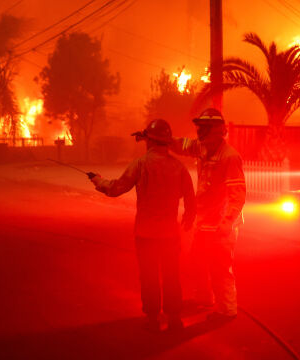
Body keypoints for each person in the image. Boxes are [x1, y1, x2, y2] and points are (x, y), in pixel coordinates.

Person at [90, 119, 196, 332]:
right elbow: (190, 198)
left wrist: (98, 180)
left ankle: (152, 318)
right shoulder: (178, 167)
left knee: (149, 276)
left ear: (149, 141)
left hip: (146, 234)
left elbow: (116, 188)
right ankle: (174, 318)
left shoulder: (141, 164)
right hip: (170, 234)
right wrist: (189, 216)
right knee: (171, 276)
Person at [170, 108, 246, 322]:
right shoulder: (203, 148)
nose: (199, 132)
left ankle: (227, 311)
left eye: (203, 128)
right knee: (199, 262)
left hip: (222, 224)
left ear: (216, 130)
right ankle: (204, 299)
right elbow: (182, 145)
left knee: (221, 268)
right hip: (204, 221)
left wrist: (228, 221)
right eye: (199, 127)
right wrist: (158, 137)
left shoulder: (230, 157)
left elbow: (237, 194)